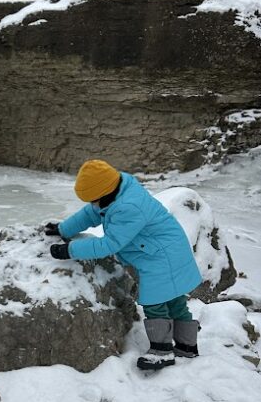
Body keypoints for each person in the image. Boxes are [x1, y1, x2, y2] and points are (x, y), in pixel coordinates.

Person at [45, 159, 202, 371]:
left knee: (155, 302)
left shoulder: (129, 207)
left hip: (161, 257)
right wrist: (64, 229)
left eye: (93, 199)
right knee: (174, 300)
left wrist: (70, 250)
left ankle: (162, 350)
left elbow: (109, 244)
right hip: (167, 248)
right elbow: (91, 213)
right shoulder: (116, 190)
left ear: (104, 194)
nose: (92, 204)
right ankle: (187, 346)